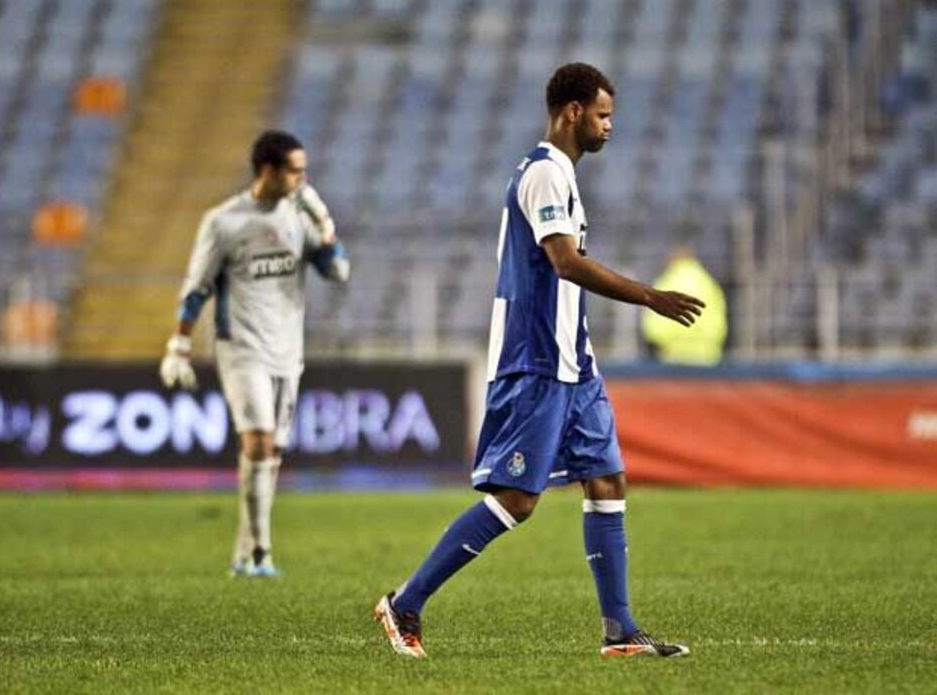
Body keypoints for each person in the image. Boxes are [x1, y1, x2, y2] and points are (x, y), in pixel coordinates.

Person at [374, 63, 704, 659]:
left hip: (574, 361)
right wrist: (649, 296)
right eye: (603, 115)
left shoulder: (564, 177)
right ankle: (404, 604)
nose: (610, 126)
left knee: (608, 480)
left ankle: (620, 631)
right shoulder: (545, 175)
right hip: (537, 359)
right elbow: (565, 262)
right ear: (573, 112)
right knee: (518, 500)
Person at [159, 130, 349, 577]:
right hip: (241, 347)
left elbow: (337, 271)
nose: (304, 178)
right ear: (268, 170)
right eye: (296, 170)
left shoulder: (298, 217)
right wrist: (178, 345)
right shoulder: (223, 221)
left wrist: (324, 225)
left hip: (288, 350)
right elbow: (196, 288)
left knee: (271, 450)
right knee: (259, 439)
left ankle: (243, 553)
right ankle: (262, 551)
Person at [642, 247, 728, 365]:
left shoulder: (667, 281)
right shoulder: (709, 283)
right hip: (707, 356)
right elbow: (719, 318)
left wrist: (660, 341)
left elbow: (655, 324)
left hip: (672, 355)